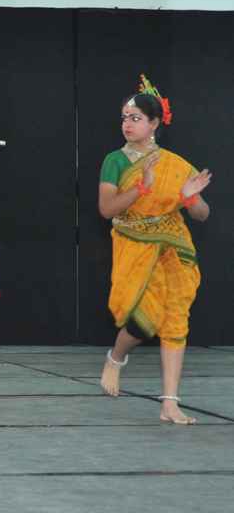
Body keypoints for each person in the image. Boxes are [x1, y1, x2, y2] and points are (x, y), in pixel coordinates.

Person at [98, 82, 210, 425]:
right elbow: (107, 209)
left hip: (172, 244)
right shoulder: (115, 161)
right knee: (143, 322)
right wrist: (141, 188)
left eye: (135, 118)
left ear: (154, 123)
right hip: (133, 243)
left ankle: (169, 403)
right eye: (124, 118)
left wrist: (190, 198)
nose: (127, 124)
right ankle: (116, 357)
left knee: (176, 317)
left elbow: (203, 214)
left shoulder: (174, 164)